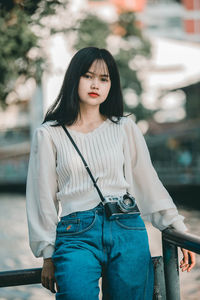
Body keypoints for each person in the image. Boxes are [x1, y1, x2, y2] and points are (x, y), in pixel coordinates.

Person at [26, 47, 195, 300]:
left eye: (104, 79)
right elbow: (41, 199)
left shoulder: (125, 127)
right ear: (74, 79)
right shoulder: (49, 134)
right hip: (76, 235)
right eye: (88, 76)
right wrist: (48, 254)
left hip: (127, 228)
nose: (96, 85)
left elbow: (147, 182)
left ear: (111, 85)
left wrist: (176, 227)